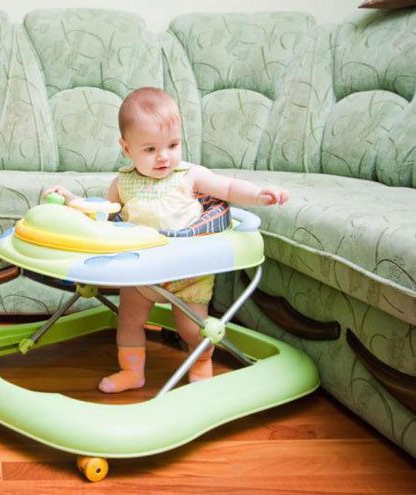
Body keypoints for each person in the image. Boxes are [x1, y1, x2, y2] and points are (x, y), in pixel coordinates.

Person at [44, 87, 288, 394]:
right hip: (140, 272)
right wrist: (71, 201)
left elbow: (227, 188)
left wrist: (259, 194)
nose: (164, 156)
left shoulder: (189, 175)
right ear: (126, 148)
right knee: (129, 322)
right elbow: (103, 215)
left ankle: (201, 362)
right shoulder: (122, 183)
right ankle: (131, 371)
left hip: (187, 272)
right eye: (150, 149)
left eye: (173, 145)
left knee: (192, 329)